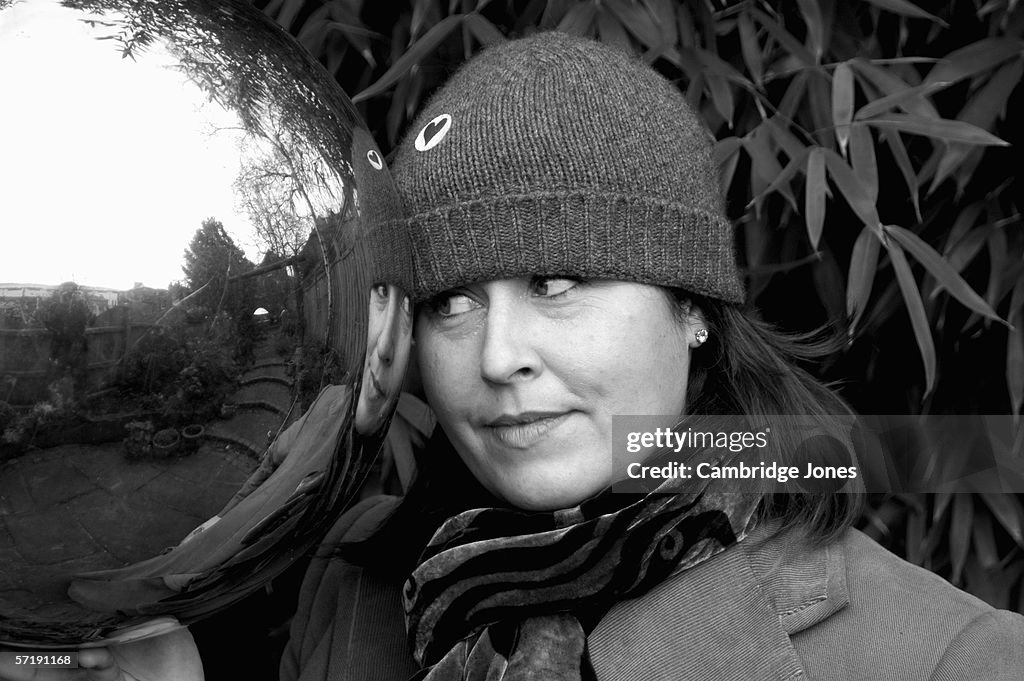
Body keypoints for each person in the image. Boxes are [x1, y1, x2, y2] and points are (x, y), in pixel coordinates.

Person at [8, 30, 1023, 681]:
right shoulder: (362, 586)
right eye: (450, 304)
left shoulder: (951, 659)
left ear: (695, 309)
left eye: (557, 283)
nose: (499, 357)